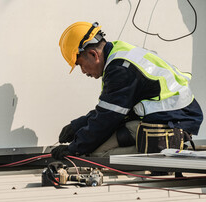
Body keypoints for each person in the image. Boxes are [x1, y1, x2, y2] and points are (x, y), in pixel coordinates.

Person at [51, 22, 203, 160]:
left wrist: (74, 149)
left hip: (171, 122)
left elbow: (107, 119)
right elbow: (109, 109)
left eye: (80, 65)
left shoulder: (120, 70)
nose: (83, 71)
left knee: (95, 154)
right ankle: (158, 147)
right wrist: (77, 125)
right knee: (96, 141)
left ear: (93, 55)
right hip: (172, 116)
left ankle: (163, 150)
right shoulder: (118, 53)